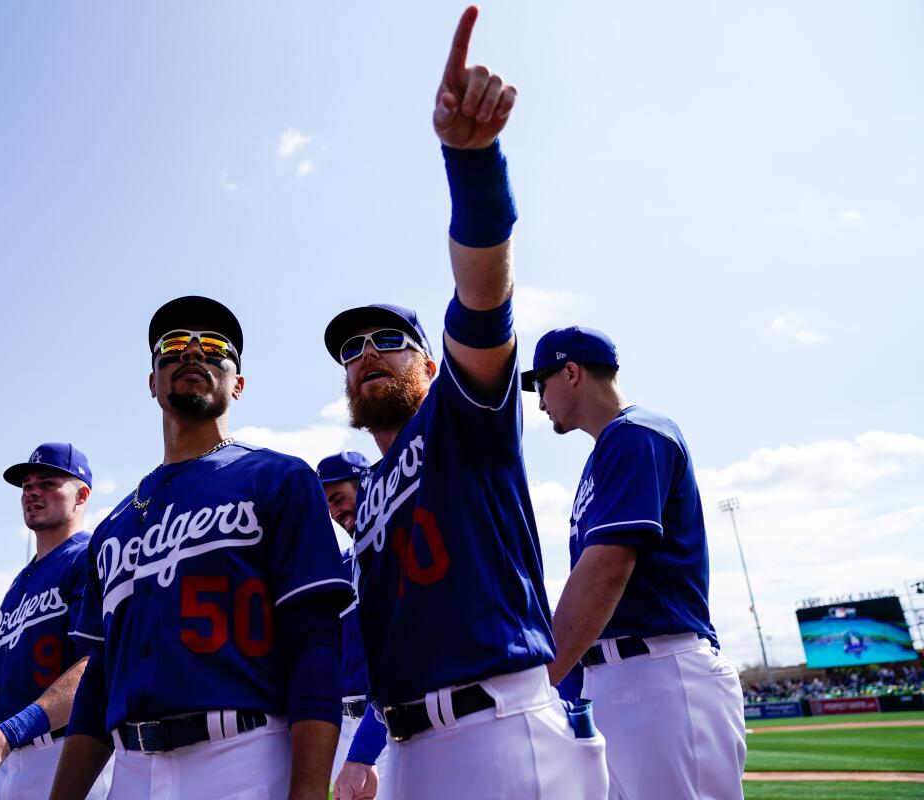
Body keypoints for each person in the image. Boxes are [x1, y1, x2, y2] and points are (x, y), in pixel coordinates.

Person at [319, 8, 610, 798]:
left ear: (425, 357)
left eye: (387, 338)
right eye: (351, 349)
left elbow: (483, 301)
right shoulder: (368, 498)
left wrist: (472, 164)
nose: (367, 352)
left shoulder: (461, 414)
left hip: (498, 730)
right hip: (407, 745)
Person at [48, 295, 353, 800]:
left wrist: (306, 792)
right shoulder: (114, 526)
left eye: (214, 346)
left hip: (243, 755)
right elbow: (99, 678)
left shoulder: (279, 477)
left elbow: (314, 641)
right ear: (152, 383)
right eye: (172, 347)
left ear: (238, 384)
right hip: (130, 768)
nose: (192, 353)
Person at [523, 325, 747, 799]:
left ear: (571, 372)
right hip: (615, 680)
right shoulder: (605, 451)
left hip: (662, 676)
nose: (540, 402)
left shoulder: (638, 433)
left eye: (542, 385)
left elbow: (607, 570)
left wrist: (540, 681)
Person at [0, 443, 111, 800]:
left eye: (48, 483)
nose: (32, 493)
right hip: (2, 753)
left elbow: (96, 667)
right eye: (27, 486)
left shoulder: (88, 558)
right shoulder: (18, 583)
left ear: (82, 495)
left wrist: (6, 734)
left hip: (61, 751)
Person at [315, 452, 395, 800]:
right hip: (343, 727)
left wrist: (366, 748)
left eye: (339, 498)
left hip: (388, 724)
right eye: (327, 506)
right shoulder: (338, 568)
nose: (335, 513)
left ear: (367, 485)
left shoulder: (397, 548)